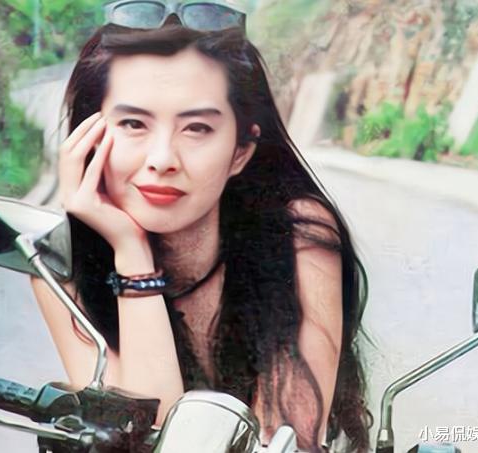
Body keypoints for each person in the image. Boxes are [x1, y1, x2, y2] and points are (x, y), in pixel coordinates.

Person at [30, 2, 371, 451]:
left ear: (240, 151)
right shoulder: (57, 263)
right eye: (133, 123)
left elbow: (290, 438)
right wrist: (132, 252)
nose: (162, 159)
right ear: (89, 138)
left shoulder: (298, 234)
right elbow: (139, 438)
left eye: (196, 129)